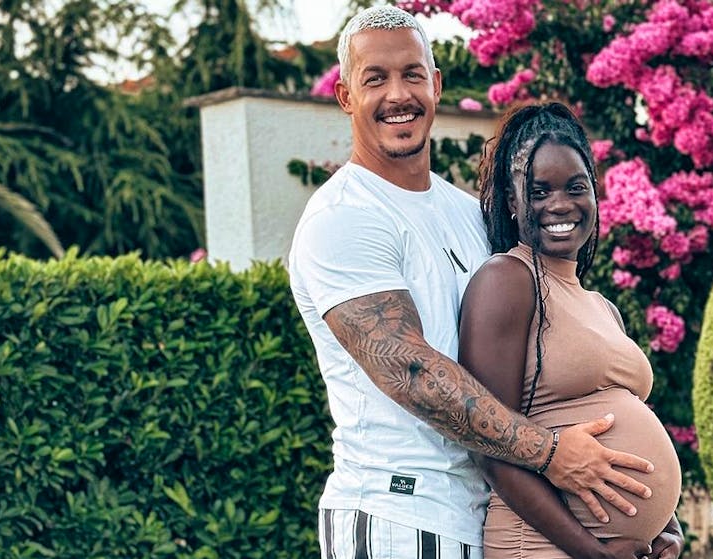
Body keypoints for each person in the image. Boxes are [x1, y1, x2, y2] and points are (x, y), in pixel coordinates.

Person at [287, 5, 681, 559]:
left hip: (476, 516)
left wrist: (654, 516)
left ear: (436, 84)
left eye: (412, 74)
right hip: (398, 514)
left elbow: (540, 365)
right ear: (346, 96)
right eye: (375, 79)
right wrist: (550, 453)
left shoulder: (467, 214)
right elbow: (410, 370)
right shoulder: (345, 216)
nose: (398, 94)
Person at [458, 102, 683, 559]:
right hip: (538, 544)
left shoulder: (604, 308)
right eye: (538, 192)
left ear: (594, 195)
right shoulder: (507, 279)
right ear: (513, 203)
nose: (559, 204)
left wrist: (666, 526)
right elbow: (488, 443)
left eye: (576, 187)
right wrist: (591, 553)